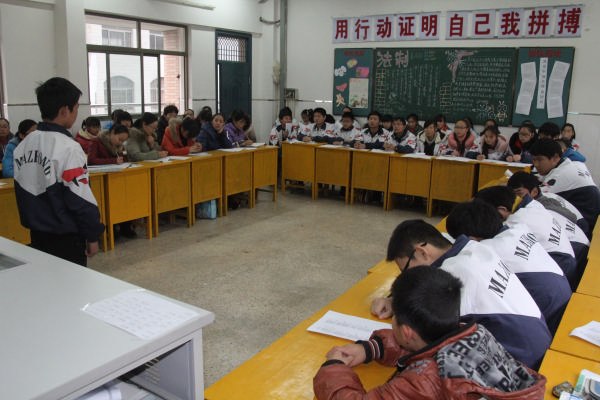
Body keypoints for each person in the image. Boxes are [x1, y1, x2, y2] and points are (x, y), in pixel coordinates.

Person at [314, 266, 546, 400]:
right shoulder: (476, 333)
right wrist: (370, 349)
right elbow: (428, 350)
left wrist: (333, 368)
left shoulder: (422, 380)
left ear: (406, 332)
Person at [370, 219, 551, 369]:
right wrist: (393, 299)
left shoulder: (452, 276)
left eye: (406, 269)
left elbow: (424, 336)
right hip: (537, 339)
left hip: (517, 360)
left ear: (422, 252)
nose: (407, 275)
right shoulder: (473, 249)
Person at [13, 77, 104, 266]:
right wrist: (92, 235)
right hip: (66, 237)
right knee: (71, 282)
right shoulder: (68, 147)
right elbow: (80, 198)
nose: (77, 113)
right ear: (64, 110)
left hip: (37, 233)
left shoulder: (25, 144)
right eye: (76, 108)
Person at [446, 200, 571, 334]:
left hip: (548, 311)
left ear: (472, 239)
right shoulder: (518, 230)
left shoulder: (485, 252)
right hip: (560, 295)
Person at [475, 186, 579, 287]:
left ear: (502, 209)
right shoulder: (533, 205)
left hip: (561, 263)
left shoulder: (516, 223)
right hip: (564, 266)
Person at [530, 138, 600, 231]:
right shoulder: (569, 164)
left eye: (539, 159)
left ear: (555, 158)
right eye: (533, 160)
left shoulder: (560, 175)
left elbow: (533, 196)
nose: (535, 164)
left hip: (585, 226)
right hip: (589, 218)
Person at [507, 171, 589, 237]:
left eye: (519, 193)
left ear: (534, 192)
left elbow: (572, 217)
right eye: (512, 194)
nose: (515, 198)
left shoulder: (543, 207)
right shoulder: (545, 198)